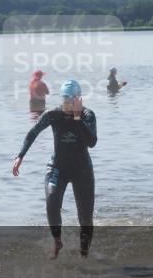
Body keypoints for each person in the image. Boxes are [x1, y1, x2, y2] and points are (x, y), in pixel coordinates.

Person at [12, 79, 97, 259]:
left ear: (78, 100)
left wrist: (77, 118)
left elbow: (92, 142)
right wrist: (20, 156)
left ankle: (84, 254)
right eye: (64, 100)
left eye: (70, 101)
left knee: (86, 220)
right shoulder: (53, 114)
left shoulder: (88, 115)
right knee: (52, 201)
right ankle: (57, 241)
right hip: (58, 166)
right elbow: (33, 132)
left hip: (82, 170)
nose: (66, 105)